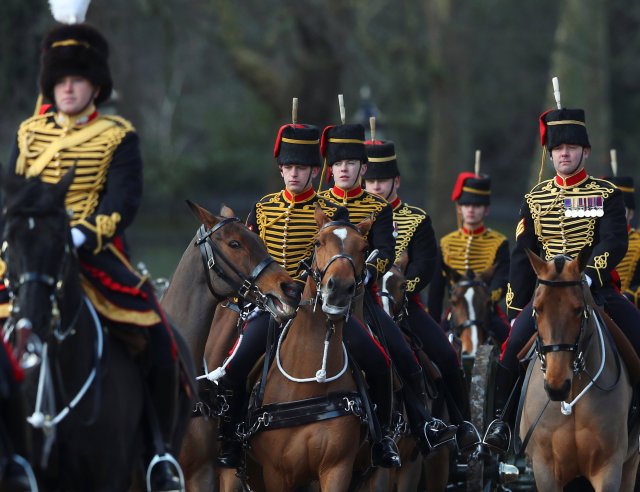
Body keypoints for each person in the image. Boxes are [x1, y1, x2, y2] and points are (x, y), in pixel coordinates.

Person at [7, 23, 182, 490]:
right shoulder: (28, 134)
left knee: (162, 341)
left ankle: (158, 453)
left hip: (92, 250)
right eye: (60, 79)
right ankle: (11, 457)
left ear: (96, 86)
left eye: (77, 79)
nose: (68, 86)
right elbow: (14, 199)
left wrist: (83, 236)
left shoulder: (116, 136)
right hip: (31, 255)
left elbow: (123, 200)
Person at [215, 122, 402, 469]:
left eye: (301, 168)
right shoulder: (263, 206)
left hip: (317, 301)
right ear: (282, 170)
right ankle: (232, 436)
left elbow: (340, 253)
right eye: (289, 167)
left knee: (382, 361)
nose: (294, 174)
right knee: (236, 365)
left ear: (315, 171)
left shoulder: (326, 208)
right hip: (269, 302)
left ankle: (381, 435)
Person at [483, 107, 640, 453]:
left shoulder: (606, 194)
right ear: (550, 153)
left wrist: (588, 274)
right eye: (557, 149)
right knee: (509, 353)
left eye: (571, 147)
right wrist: (517, 307)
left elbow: (614, 240)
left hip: (594, 289)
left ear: (585, 152)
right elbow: (524, 255)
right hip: (547, 294)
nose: (563, 153)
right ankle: (500, 427)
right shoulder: (533, 199)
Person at [319, 123, 458, 452]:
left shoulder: (380, 209)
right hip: (317, 301)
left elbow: (390, 252)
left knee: (419, 358)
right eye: (338, 164)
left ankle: (438, 424)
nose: (344, 169)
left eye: (351, 164)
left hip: (374, 300)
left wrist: (376, 278)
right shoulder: (317, 204)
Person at [363, 138, 481, 452]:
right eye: (370, 180)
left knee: (445, 355)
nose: (375, 187)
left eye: (381, 181)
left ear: (396, 181)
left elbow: (425, 267)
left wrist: (400, 292)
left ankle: (462, 425)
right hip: (362, 303)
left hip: (404, 305)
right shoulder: (353, 214)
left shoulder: (416, 219)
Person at [427, 172, 510, 344]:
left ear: (486, 209)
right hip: (455, 310)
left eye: (477, 205)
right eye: (466, 205)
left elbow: (502, 280)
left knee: (510, 345)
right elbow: (436, 288)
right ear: (459, 208)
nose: (471, 209)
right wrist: (433, 322)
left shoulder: (499, 242)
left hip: (488, 310)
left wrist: (485, 300)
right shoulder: (446, 243)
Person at [603, 175, 640, 308]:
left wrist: (628, 296)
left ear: (630, 213)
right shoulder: (594, 240)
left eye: (620, 209)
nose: (614, 213)